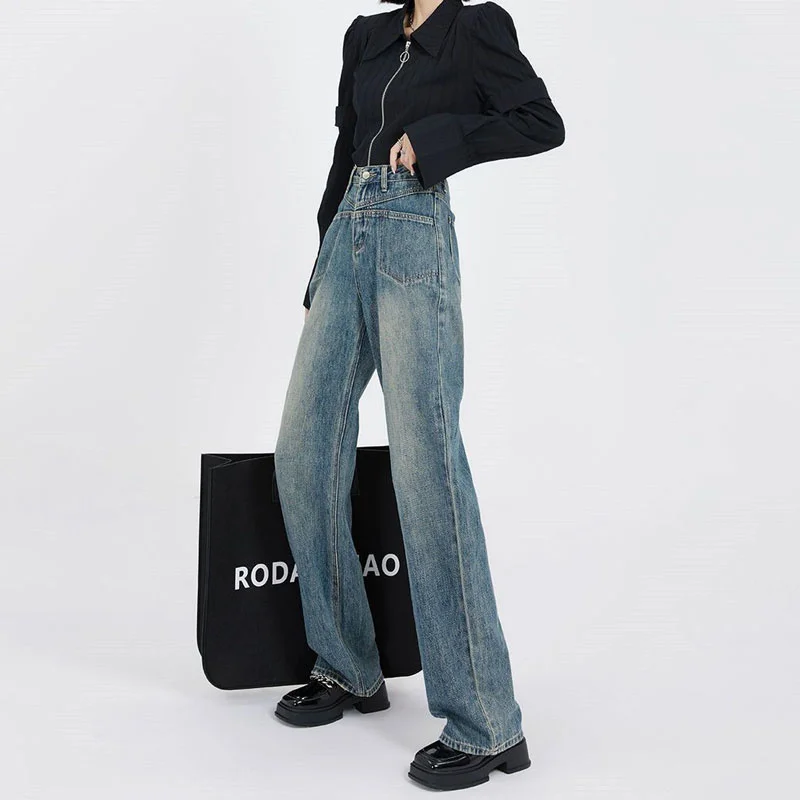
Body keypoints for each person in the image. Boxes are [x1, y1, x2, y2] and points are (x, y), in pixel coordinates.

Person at [273, 0, 564, 790]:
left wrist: (438, 140)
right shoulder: (366, 35)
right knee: (302, 451)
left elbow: (541, 122)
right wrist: (324, 261)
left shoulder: (477, 29)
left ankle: (487, 722)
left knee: (425, 468)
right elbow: (346, 145)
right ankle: (348, 665)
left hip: (413, 235)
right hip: (347, 238)